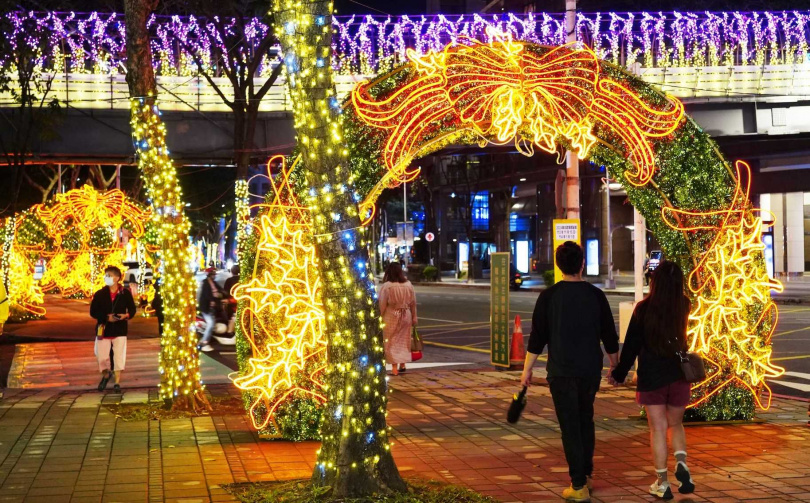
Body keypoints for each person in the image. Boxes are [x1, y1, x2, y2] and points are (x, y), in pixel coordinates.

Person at [520, 241, 619, 502]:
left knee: (570, 426)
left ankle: (578, 484)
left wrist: (526, 371)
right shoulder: (595, 295)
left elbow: (537, 339)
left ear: (559, 266)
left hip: (561, 371)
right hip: (589, 370)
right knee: (585, 419)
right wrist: (615, 365)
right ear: (582, 264)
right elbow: (609, 335)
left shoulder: (549, 297)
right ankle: (585, 474)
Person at [610, 261, 695, 500]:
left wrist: (619, 373)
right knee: (676, 424)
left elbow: (631, 346)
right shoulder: (684, 305)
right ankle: (681, 462)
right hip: (679, 374)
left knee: (657, 428)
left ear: (654, 282)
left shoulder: (643, 309)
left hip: (652, 376)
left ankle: (662, 482)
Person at [90, 266, 136, 393]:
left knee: (118, 357)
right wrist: (105, 318)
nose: (106, 278)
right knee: (102, 357)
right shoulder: (100, 294)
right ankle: (106, 374)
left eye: (109, 276)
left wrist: (125, 316)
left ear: (117, 278)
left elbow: (132, 309)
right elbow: (93, 312)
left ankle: (117, 383)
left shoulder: (125, 293)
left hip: (119, 329)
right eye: (106, 276)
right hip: (103, 329)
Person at [378, 262, 417, 376]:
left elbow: (382, 304)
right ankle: (402, 364)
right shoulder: (408, 284)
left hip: (391, 315)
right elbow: (413, 302)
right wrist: (414, 316)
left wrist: (379, 317)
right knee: (404, 340)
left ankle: (394, 367)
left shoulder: (387, 286)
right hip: (406, 314)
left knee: (391, 340)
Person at [197, 267, 222, 352]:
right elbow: (207, 295)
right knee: (211, 324)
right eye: (213, 274)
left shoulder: (214, 283)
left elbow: (221, 291)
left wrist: (223, 295)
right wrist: (213, 299)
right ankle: (204, 343)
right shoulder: (205, 283)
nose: (214, 275)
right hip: (206, 308)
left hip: (212, 307)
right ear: (210, 274)